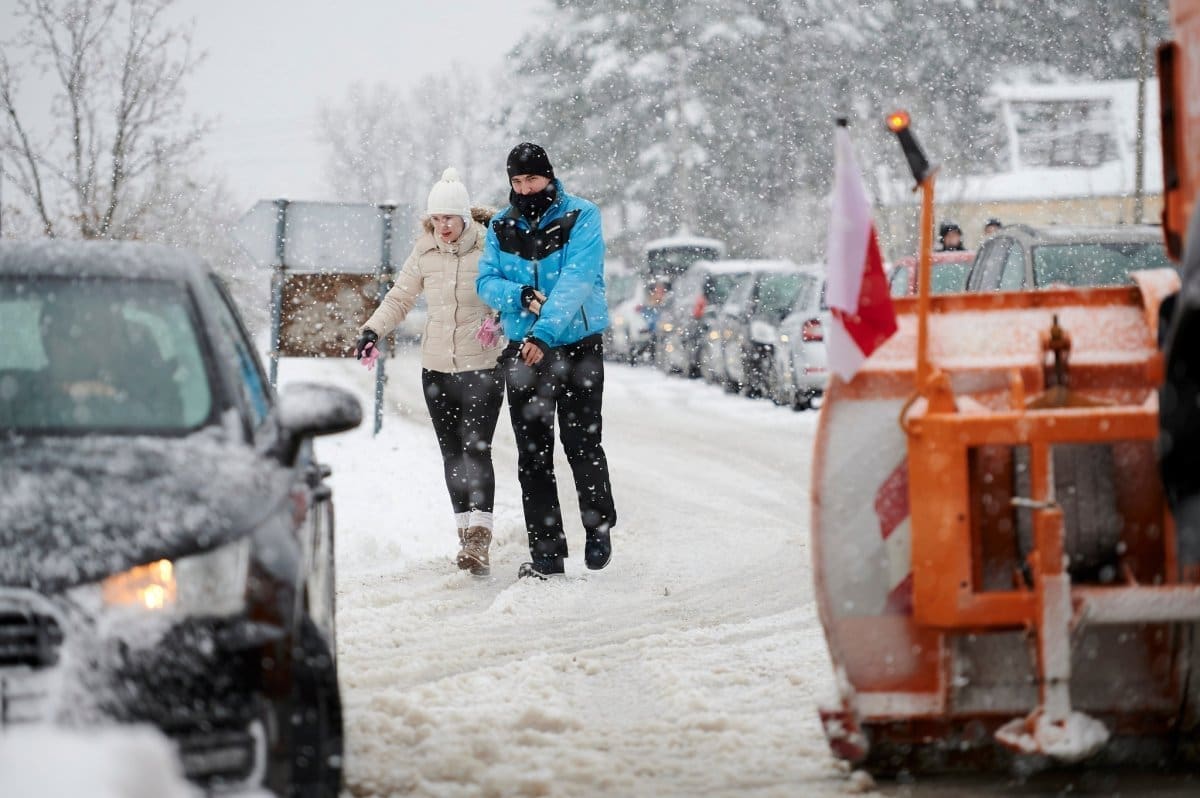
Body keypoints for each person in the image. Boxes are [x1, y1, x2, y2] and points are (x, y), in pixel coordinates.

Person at [476, 142, 617, 580]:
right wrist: (517, 295)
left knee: (582, 444)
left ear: (549, 176)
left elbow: (578, 279)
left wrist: (544, 332)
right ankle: (547, 553)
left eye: (532, 179)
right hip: (525, 351)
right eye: (517, 181)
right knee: (532, 456)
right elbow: (486, 280)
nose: (524, 188)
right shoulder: (501, 225)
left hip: (576, 348)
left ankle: (598, 528)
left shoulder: (582, 216)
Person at [354, 168, 504, 577]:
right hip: (436, 369)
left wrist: (499, 320)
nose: (443, 226)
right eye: (436, 219)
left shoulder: (490, 247)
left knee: (475, 449)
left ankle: (480, 536)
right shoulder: (425, 250)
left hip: (482, 366)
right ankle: (464, 533)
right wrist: (372, 330)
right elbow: (400, 297)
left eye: (449, 218)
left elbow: (510, 292)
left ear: (464, 217)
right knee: (452, 453)